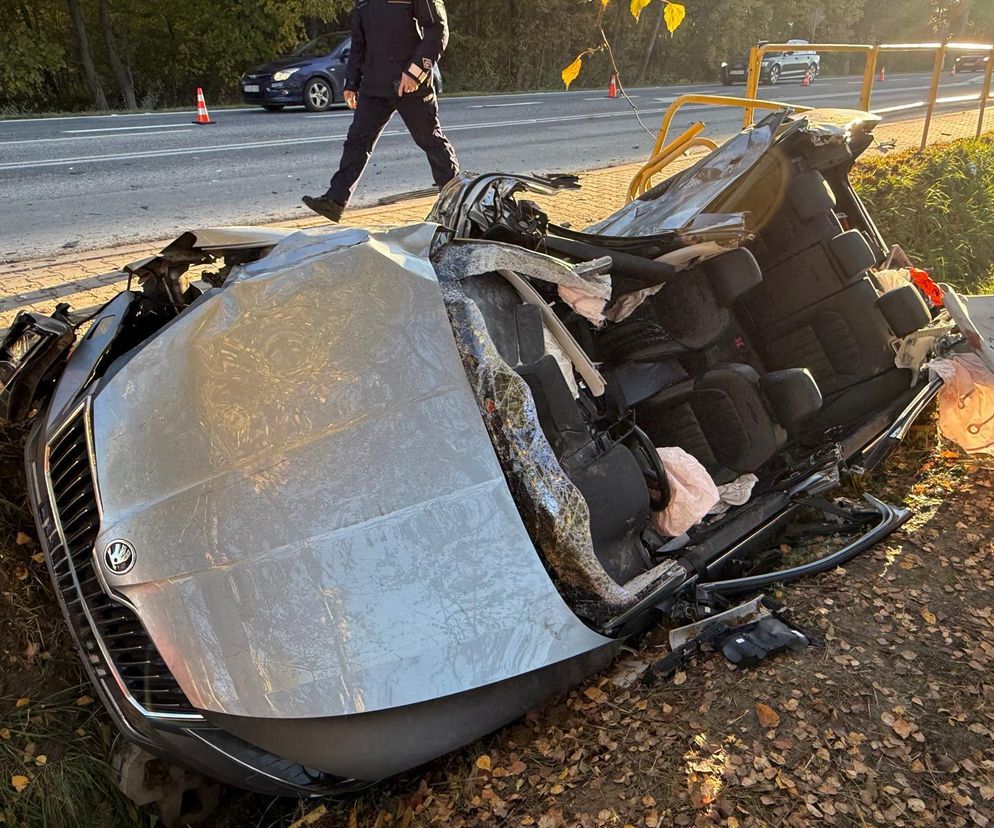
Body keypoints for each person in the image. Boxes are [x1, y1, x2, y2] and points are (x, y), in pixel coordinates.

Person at [302, 0, 459, 223]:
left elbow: (438, 30)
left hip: (410, 84)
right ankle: (334, 201)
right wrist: (351, 82)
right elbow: (359, 43)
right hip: (374, 85)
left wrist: (416, 72)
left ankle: (454, 198)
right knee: (357, 140)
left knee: (429, 139)